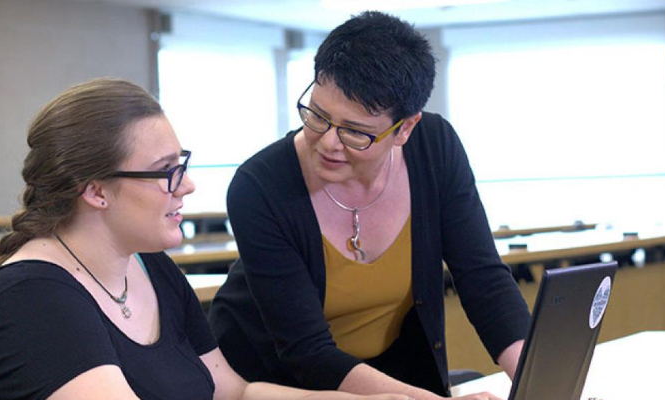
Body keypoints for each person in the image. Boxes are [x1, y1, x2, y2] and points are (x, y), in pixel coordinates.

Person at [0, 78, 406, 400]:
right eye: (166, 171)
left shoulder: (149, 268)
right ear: (94, 191)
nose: (185, 185)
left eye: (181, 165)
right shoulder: (30, 301)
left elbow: (234, 391)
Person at [207, 12, 530, 400]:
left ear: (405, 129)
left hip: (384, 374)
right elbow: (306, 352)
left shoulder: (435, 147)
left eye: (355, 132)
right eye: (318, 116)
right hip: (272, 381)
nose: (328, 142)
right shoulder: (259, 187)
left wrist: (533, 378)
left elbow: (483, 279)